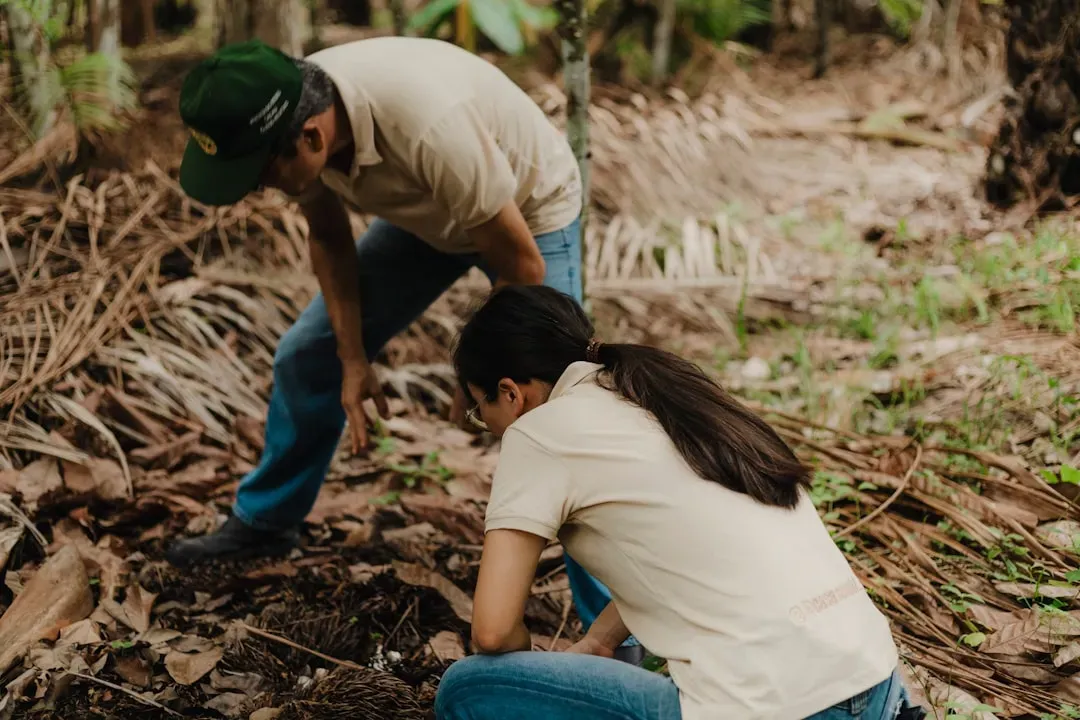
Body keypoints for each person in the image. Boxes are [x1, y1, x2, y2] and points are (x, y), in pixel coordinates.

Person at [164, 37, 642, 662]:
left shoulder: (428, 126)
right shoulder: (297, 115)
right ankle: (266, 522)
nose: (261, 190)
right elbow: (329, 237)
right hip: (429, 215)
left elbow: (519, 264)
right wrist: (353, 359)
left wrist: (477, 380)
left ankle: (614, 632)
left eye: (261, 176)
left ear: (310, 139)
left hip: (526, 213)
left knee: (559, 416)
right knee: (307, 356)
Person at [434, 284, 926, 720]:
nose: (490, 428)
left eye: (481, 413)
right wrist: (601, 641)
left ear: (510, 392)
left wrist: (529, 657)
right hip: (876, 682)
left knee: (468, 688)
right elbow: (687, 537)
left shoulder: (537, 433)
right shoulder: (661, 396)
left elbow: (494, 632)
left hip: (776, 705)